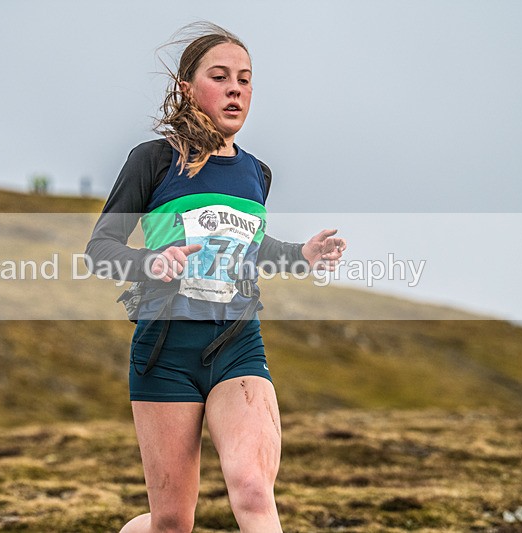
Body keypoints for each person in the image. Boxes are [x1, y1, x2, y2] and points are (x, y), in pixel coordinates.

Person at [85, 22, 346, 533]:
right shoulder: (154, 160)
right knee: (171, 523)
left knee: (251, 486)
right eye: (220, 77)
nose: (235, 89)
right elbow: (101, 249)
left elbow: (248, 250)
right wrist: (150, 263)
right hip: (164, 352)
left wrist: (301, 254)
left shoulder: (257, 173)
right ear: (187, 88)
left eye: (244, 80)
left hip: (237, 347)